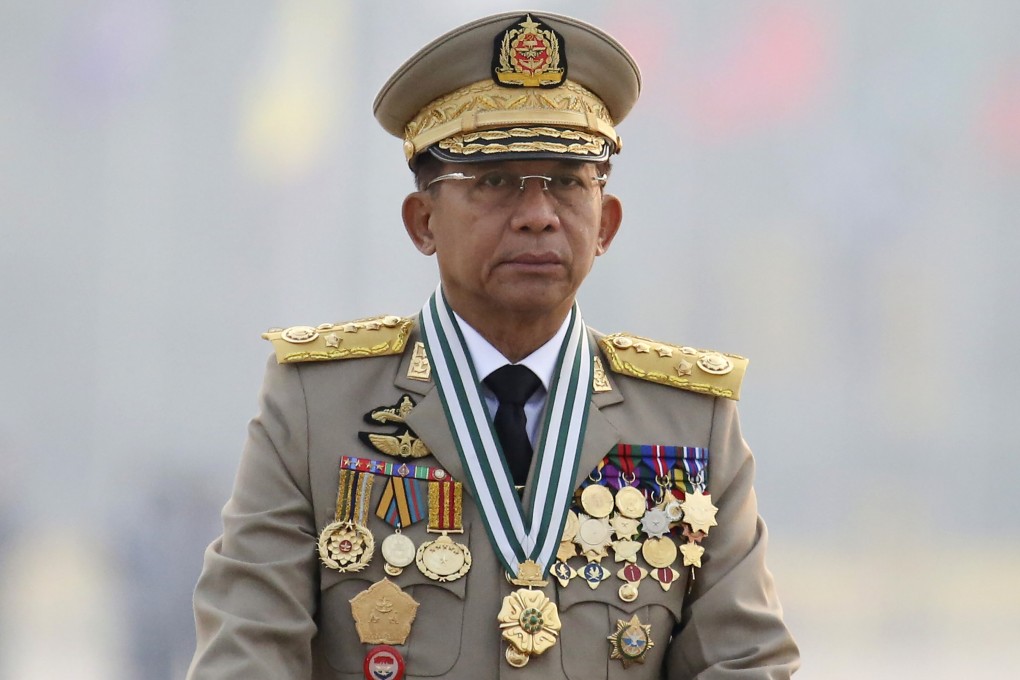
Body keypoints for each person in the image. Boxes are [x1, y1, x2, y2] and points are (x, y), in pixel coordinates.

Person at [188, 10, 799, 680]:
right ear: (422, 221)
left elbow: (744, 662)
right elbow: (248, 651)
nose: (538, 213)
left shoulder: (689, 421)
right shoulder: (317, 405)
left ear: (607, 223)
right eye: (497, 181)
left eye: (567, 182)